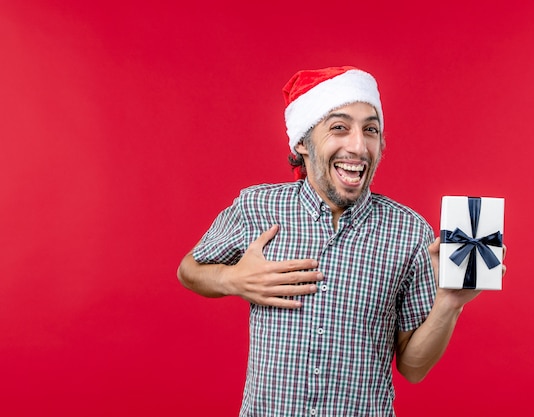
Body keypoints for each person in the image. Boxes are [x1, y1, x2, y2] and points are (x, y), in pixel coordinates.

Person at [177, 66, 506, 416]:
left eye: (371, 130)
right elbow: (189, 270)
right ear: (302, 142)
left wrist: (450, 302)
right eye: (339, 128)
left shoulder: (410, 232)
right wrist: (233, 280)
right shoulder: (257, 206)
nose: (358, 146)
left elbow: (414, 367)